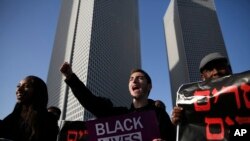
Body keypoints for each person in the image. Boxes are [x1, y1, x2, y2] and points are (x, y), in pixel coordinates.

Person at [60, 62, 176, 141]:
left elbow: (173, 137)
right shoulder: (120, 115)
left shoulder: (159, 115)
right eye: (131, 79)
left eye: (140, 78)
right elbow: (92, 103)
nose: (134, 81)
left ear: (149, 86)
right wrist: (70, 77)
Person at [171, 52, 232, 125]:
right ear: (202, 77)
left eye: (220, 66)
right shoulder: (193, 102)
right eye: (209, 69)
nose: (215, 72)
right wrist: (178, 124)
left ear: (229, 69)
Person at [0, 75, 59, 141]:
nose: (19, 89)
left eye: (26, 86)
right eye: (18, 86)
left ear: (38, 91)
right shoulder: (11, 118)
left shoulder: (48, 121)